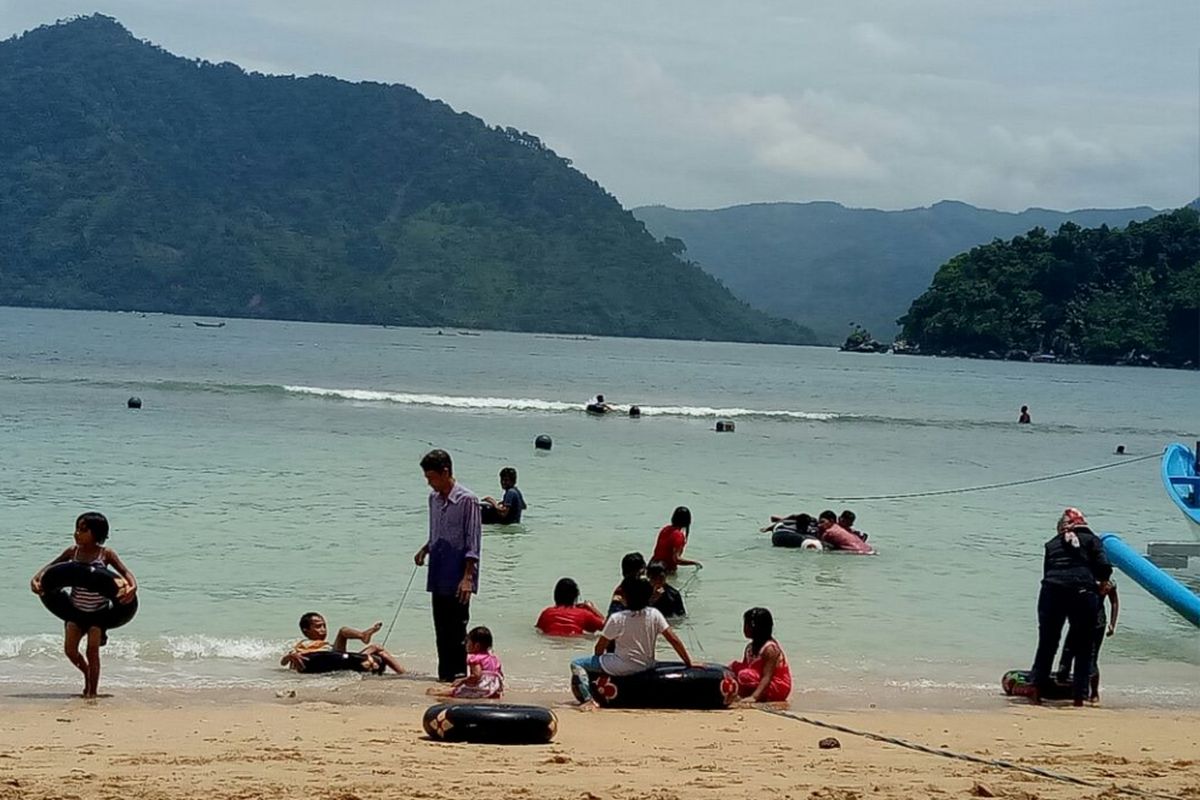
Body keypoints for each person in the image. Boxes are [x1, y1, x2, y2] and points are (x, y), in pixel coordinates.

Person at [29, 512, 137, 698]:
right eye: (77, 529)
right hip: (74, 610)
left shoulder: (106, 554)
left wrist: (132, 587)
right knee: (70, 651)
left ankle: (92, 692)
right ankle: (86, 673)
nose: (77, 533)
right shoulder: (73, 552)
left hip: (99, 613)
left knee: (92, 651)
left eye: (83, 530)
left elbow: (126, 573)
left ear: (97, 533)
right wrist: (36, 579)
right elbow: (50, 569)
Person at [1028, 507, 1112, 706]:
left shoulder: (1051, 544)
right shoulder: (1092, 541)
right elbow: (1105, 568)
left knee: (1047, 643)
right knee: (1084, 646)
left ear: (1061, 527)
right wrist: (1100, 582)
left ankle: (1037, 691)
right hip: (1083, 594)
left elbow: (1048, 572)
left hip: (1052, 592)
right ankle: (1079, 697)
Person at [569, 577, 693, 708]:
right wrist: (689, 663)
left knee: (577, 664)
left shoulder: (617, 618)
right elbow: (673, 640)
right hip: (647, 665)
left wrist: (599, 664)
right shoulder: (655, 614)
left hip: (621, 667)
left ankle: (588, 700)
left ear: (626, 597)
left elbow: (599, 647)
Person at [413, 449, 482, 682]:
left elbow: (472, 542)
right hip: (438, 573)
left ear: (445, 472)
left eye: (431, 477)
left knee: (457, 632)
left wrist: (468, 578)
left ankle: (459, 677)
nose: (429, 483)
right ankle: (444, 677)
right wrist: (425, 549)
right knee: (441, 631)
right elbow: (438, 534)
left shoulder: (468, 500)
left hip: (459, 576)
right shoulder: (433, 499)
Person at [1055, 580, 1119, 703]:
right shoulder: (1080, 577)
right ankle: (1064, 682)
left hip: (1097, 623)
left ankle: (1094, 693)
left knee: (1091, 658)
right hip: (1077, 621)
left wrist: (1112, 623)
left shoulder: (1108, 582)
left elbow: (1114, 602)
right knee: (1068, 652)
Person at [280, 613, 404, 674]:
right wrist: (291, 657)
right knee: (342, 631)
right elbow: (284, 662)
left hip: (338, 657)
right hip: (325, 660)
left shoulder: (325, 644)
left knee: (376, 647)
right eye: (318, 627)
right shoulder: (304, 643)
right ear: (305, 630)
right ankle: (363, 635)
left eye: (324, 626)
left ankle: (403, 674)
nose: (323, 629)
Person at [729, 607, 792, 703]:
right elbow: (746, 667)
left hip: (776, 686)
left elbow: (767, 676)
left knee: (745, 675)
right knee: (733, 668)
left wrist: (754, 697)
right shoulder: (749, 648)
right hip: (757, 679)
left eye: (747, 624)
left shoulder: (770, 649)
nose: (744, 628)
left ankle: (756, 695)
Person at [428, 626, 504, 698]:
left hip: (482, 688)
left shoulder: (474, 658)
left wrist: (462, 680)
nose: (466, 645)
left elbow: (477, 675)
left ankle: (436, 693)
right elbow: (499, 674)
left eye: (468, 642)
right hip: (494, 688)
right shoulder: (493, 658)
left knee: (456, 691)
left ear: (476, 646)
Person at [536, 578, 606, 636]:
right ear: (575, 596)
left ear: (556, 595)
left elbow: (539, 631)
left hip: (551, 644)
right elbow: (607, 627)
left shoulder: (547, 612)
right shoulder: (583, 614)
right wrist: (591, 608)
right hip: (574, 644)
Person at [651, 506, 702, 574]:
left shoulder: (665, 529)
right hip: (665, 571)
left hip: (653, 566)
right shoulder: (679, 536)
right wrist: (695, 563)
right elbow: (676, 559)